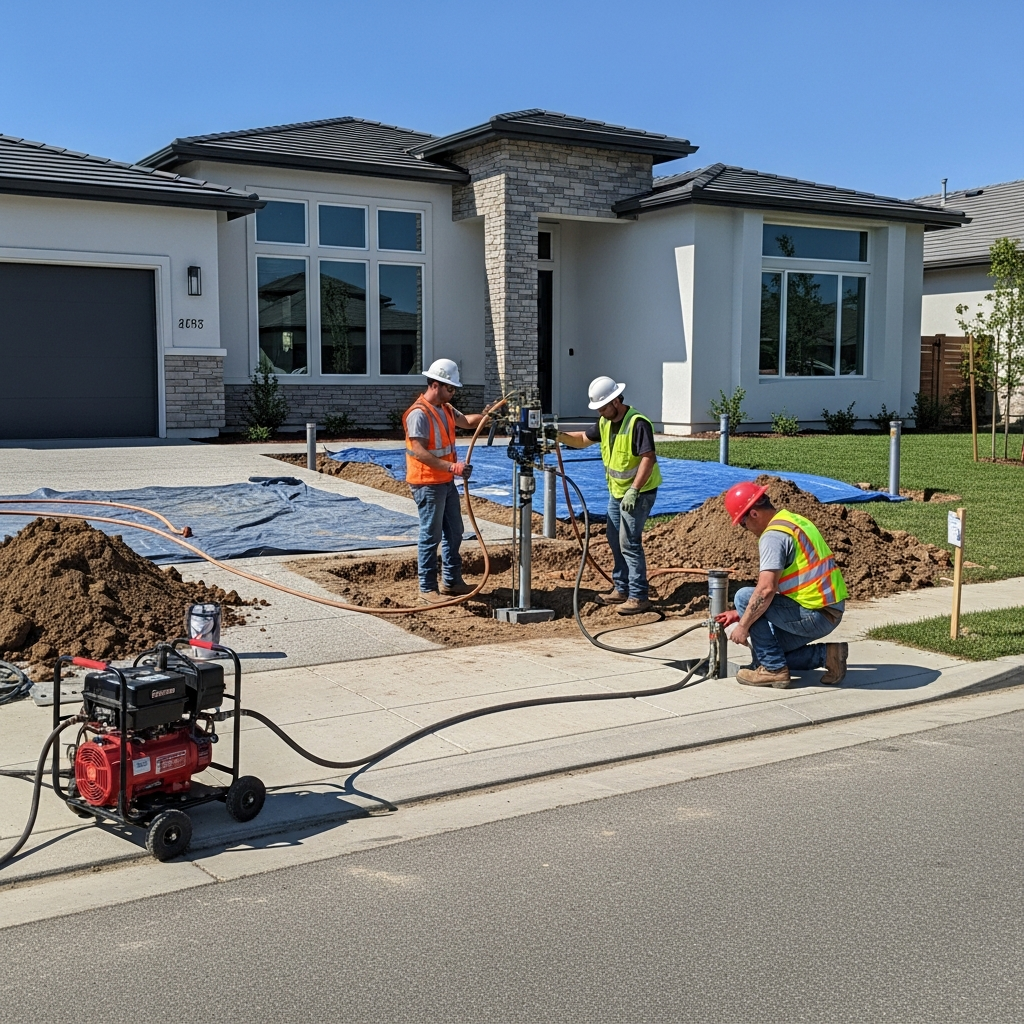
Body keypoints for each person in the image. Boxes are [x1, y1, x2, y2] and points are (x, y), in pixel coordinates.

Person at [715, 481, 849, 688]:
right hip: (829, 610)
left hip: (813, 614)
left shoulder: (773, 536)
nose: (746, 529)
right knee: (766, 650)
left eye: (743, 523)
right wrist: (741, 613)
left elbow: (766, 589)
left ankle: (774, 670)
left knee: (743, 596)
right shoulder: (792, 521)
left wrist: (742, 626)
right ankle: (828, 655)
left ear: (754, 514)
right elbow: (792, 578)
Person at [557, 376, 662, 615]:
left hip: (639, 492)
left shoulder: (637, 422)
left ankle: (638, 596)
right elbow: (584, 439)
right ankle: (621, 587)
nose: (601, 412)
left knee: (629, 542)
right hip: (617, 493)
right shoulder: (605, 422)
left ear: (616, 401)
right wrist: (559, 435)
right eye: (599, 408)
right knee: (615, 539)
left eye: (604, 407)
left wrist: (634, 490)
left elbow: (648, 457)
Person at [403, 358, 488, 604]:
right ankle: (427, 588)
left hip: (446, 481)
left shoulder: (447, 409)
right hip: (427, 483)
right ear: (436, 384)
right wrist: (453, 466)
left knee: (455, 531)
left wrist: (487, 415)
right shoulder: (418, 414)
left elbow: (468, 422)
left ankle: (451, 581)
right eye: (450, 388)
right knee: (431, 535)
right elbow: (418, 451)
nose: (452, 392)